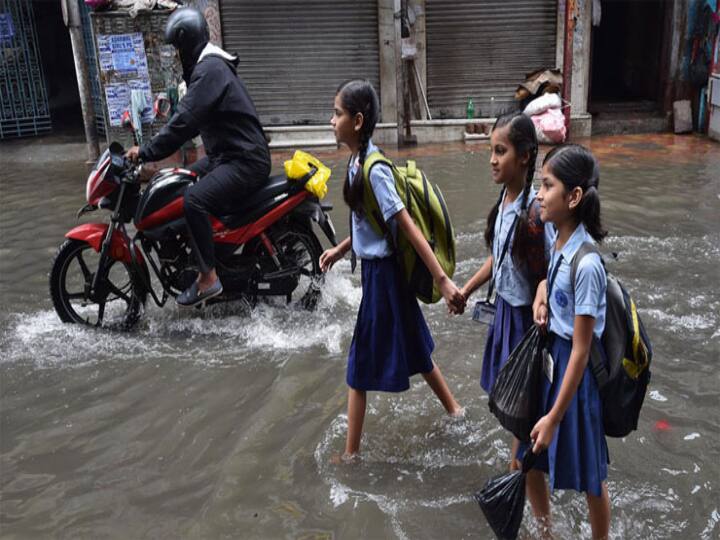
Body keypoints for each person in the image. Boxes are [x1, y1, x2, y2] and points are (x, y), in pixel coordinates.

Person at [319, 79, 465, 459]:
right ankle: (456, 410)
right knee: (416, 349)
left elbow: (404, 225)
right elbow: (372, 225)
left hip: (385, 276)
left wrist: (443, 280)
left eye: (337, 113)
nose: (331, 120)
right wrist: (340, 249)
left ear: (357, 120)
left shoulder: (374, 168)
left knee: (358, 364)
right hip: (378, 274)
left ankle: (350, 456)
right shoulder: (355, 163)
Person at [126, 7, 271, 306]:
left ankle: (209, 278)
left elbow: (183, 121)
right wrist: (151, 166)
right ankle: (208, 253)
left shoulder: (210, 70)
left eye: (177, 49)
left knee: (194, 199)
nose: (177, 56)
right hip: (227, 156)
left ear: (188, 44)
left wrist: (146, 151)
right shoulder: (209, 68)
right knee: (181, 179)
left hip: (244, 161)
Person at [523, 144, 611, 538]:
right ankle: (546, 533)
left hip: (575, 375)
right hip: (552, 364)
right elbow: (552, 280)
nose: (538, 194)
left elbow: (581, 346)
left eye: (547, 185)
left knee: (591, 475)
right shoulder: (558, 240)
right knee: (536, 456)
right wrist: (542, 292)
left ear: (574, 197)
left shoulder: (589, 264)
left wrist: (555, 417)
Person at [459, 111, 550, 469]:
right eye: (491, 151)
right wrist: (466, 291)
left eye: (501, 151)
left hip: (526, 324)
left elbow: (547, 276)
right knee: (514, 406)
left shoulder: (535, 213)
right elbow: (497, 260)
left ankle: (519, 472)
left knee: (523, 409)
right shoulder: (505, 202)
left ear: (524, 156)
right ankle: (518, 469)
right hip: (505, 315)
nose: (493, 160)